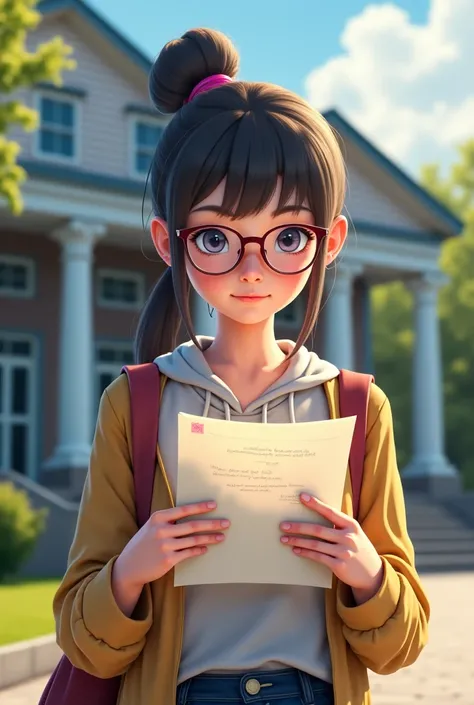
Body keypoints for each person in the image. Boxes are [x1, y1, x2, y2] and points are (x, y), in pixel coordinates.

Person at [53, 27, 430, 705]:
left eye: (287, 236)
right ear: (170, 241)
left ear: (330, 239)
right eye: (218, 238)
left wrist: (368, 571)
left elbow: (401, 643)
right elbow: (79, 633)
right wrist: (133, 568)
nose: (253, 269)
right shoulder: (136, 403)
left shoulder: (355, 407)